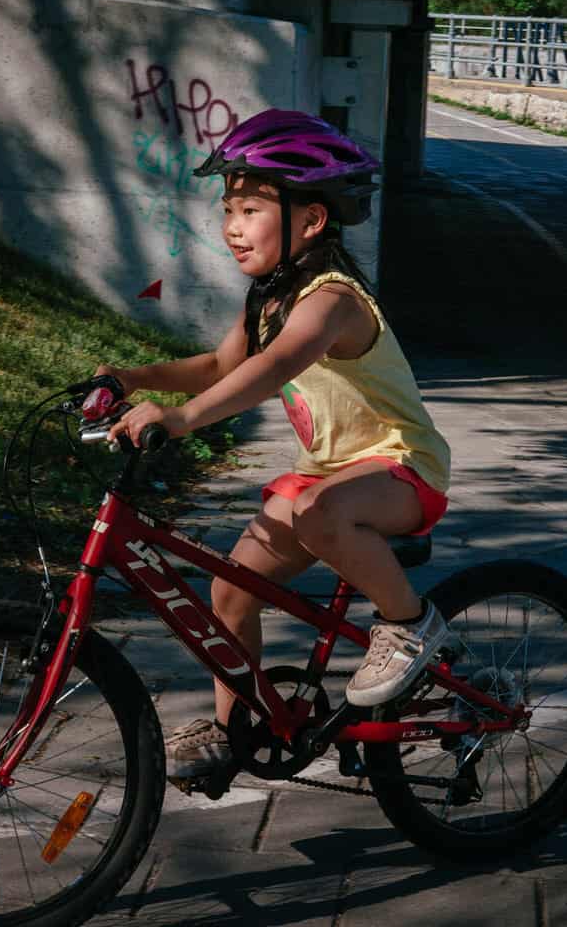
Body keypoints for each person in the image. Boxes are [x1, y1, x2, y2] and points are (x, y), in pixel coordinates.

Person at [94, 109, 452, 783]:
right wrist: (133, 379)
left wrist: (183, 418)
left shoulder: (333, 300)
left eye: (251, 208)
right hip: (328, 481)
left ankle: (409, 624)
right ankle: (236, 732)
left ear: (311, 220)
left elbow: (275, 367)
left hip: (402, 471)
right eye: (228, 207)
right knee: (229, 590)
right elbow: (220, 365)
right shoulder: (269, 298)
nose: (231, 225)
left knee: (320, 509)